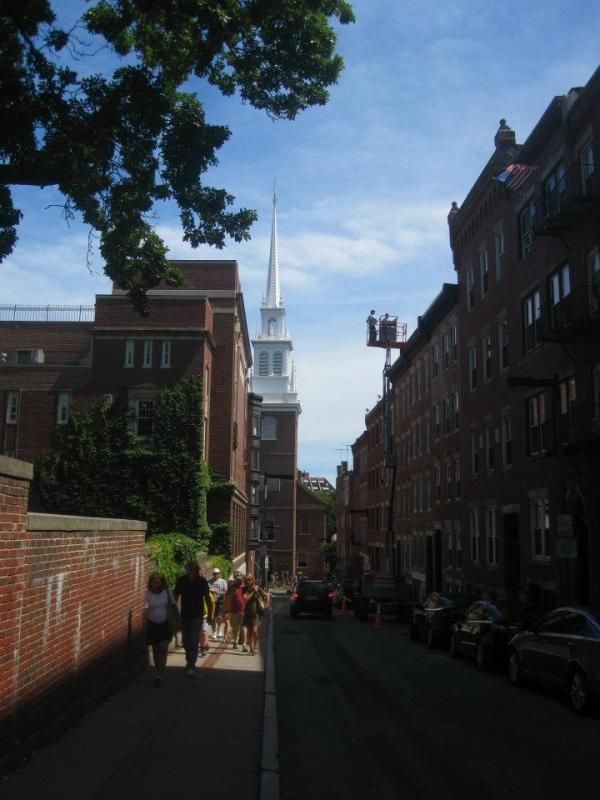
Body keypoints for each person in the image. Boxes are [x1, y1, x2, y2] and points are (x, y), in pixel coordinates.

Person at [175, 562, 212, 676]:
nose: (192, 571)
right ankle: (189, 658)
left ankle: (191, 665)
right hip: (185, 615)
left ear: (197, 570)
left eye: (194, 569)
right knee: (185, 640)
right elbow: (175, 596)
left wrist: (210, 614)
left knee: (193, 639)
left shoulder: (202, 582)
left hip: (197, 615)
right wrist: (175, 612)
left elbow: (207, 599)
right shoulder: (182, 581)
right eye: (190, 569)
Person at [144, 571, 173, 688]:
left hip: (165, 623)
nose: (157, 584)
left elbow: (174, 605)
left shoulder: (167, 591)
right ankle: (158, 670)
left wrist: (175, 621)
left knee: (163, 647)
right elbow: (146, 607)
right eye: (155, 582)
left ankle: (160, 674)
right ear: (151, 583)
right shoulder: (148, 594)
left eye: (159, 581)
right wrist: (144, 619)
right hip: (153, 623)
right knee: (155, 649)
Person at [242, 575, 270, 656]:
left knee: (254, 631)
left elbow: (266, 595)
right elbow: (246, 599)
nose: (248, 582)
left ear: (252, 580)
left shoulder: (258, 587)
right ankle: (251, 649)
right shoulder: (244, 589)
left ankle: (255, 646)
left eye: (250, 580)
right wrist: (253, 592)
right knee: (249, 632)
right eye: (246, 580)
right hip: (247, 613)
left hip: (256, 614)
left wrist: (266, 606)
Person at [225, 578, 246, 650]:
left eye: (241, 580)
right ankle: (235, 642)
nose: (240, 581)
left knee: (243, 627)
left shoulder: (244, 588)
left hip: (243, 610)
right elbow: (227, 598)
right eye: (238, 580)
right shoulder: (232, 588)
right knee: (235, 627)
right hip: (233, 611)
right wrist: (227, 610)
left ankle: (244, 644)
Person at [209, 567, 228, 641]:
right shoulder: (209, 581)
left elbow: (226, 591)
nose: (215, 575)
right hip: (212, 601)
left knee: (219, 617)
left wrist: (218, 592)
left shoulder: (223, 581)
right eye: (214, 573)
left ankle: (219, 628)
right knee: (213, 617)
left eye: (217, 573)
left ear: (219, 574)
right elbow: (207, 589)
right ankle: (214, 632)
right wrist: (211, 590)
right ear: (212, 574)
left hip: (220, 600)